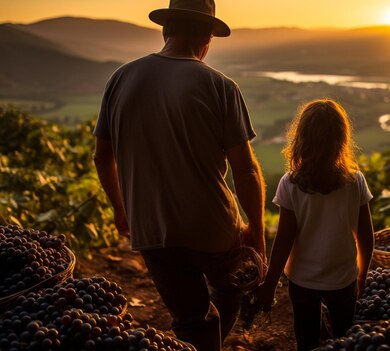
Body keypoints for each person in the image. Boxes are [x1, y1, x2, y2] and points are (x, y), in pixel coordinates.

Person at [92, 1, 266, 350]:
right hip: (213, 228)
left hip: (152, 229)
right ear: (206, 36)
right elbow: (246, 170)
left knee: (190, 319)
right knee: (231, 291)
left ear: (165, 29)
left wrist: (121, 208)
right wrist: (257, 231)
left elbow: (102, 156)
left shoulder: (121, 78)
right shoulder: (220, 85)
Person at [255, 99, 374, 351]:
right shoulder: (355, 181)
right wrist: (362, 274)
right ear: (341, 140)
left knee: (307, 341)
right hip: (343, 279)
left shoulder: (290, 184)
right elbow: (365, 235)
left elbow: (284, 240)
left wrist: (269, 285)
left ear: (302, 139)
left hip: (302, 280)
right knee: (346, 341)